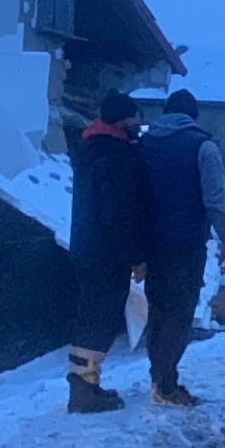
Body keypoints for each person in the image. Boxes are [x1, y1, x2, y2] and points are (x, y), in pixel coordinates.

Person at [138, 89, 225, 408]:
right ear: (193, 117)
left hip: (150, 242)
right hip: (186, 243)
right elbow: (215, 201)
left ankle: (159, 376)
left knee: (158, 310)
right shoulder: (203, 146)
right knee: (179, 313)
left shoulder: (143, 143)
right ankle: (166, 385)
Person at [66, 90, 146, 413]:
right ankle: (84, 390)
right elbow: (121, 212)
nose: (139, 127)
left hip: (86, 247)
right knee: (102, 318)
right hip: (108, 253)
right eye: (136, 121)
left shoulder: (88, 149)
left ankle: (84, 382)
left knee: (89, 315)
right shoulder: (118, 157)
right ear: (124, 121)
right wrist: (137, 255)